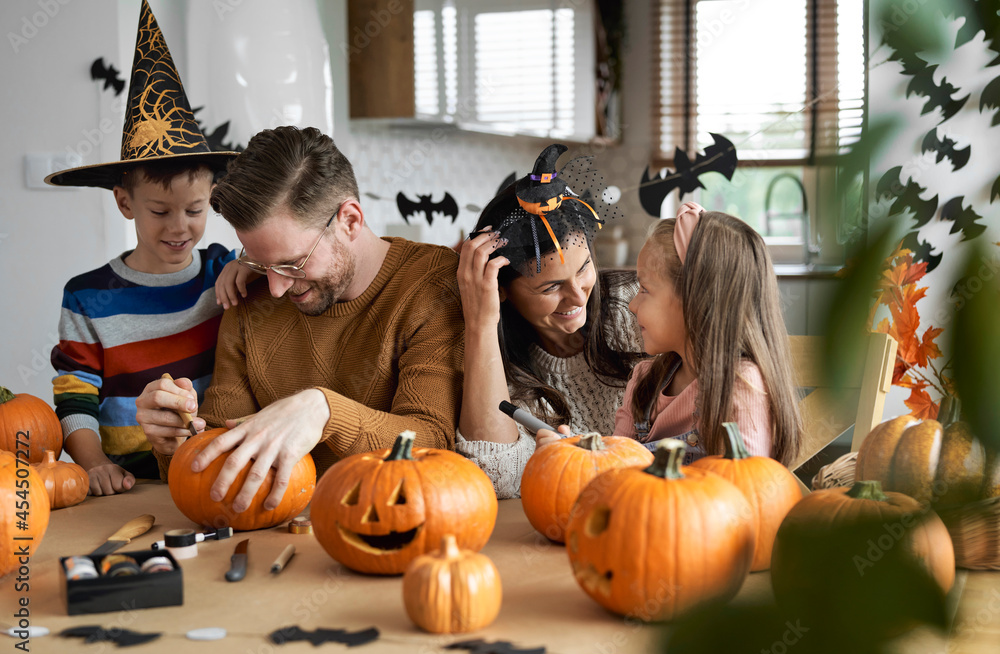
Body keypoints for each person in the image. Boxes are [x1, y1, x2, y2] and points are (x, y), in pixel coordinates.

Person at [134, 125, 465, 517]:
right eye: (259, 263)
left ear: (350, 220)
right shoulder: (247, 294)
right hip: (272, 534)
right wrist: (176, 438)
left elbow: (433, 444)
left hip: (393, 524)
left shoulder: (432, 284)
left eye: (292, 263)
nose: (274, 288)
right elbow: (215, 468)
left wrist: (323, 411)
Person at [46, 0, 245, 495]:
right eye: (160, 211)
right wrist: (93, 465)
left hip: (206, 467)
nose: (179, 227)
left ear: (211, 201)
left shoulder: (224, 271)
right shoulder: (87, 296)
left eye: (195, 210)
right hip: (127, 480)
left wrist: (251, 267)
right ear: (124, 202)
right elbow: (76, 397)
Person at [456, 144, 644, 498]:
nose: (578, 297)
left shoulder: (638, 305)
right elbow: (495, 479)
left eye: (585, 268)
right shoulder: (498, 366)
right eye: (552, 286)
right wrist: (480, 325)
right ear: (502, 290)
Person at [609, 201, 802, 464]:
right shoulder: (644, 381)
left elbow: (747, 487)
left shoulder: (740, 385)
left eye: (644, 289)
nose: (632, 305)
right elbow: (613, 470)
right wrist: (568, 451)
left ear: (696, 300)